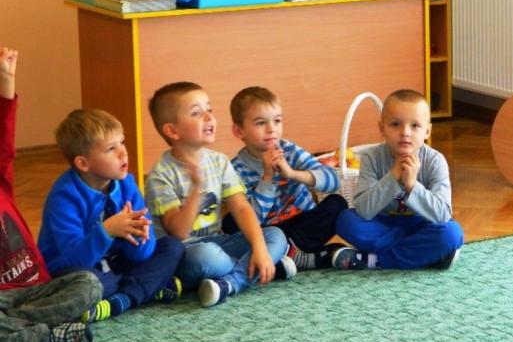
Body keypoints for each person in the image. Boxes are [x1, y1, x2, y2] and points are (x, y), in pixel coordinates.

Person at [145, 82, 287, 308]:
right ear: (172, 131)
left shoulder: (219, 161)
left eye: (209, 109)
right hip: (185, 253)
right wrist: (196, 189)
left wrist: (260, 248)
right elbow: (178, 232)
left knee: (275, 236)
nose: (209, 117)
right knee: (206, 256)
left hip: (218, 242)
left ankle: (231, 282)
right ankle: (263, 268)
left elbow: (241, 208)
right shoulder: (160, 175)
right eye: (196, 113)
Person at [37, 109, 185, 323]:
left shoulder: (126, 184)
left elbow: (142, 256)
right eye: (110, 149)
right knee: (90, 284)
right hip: (76, 268)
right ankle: (145, 289)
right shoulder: (64, 197)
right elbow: (73, 258)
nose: (123, 153)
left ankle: (123, 299)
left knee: (173, 247)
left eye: (122, 142)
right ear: (83, 164)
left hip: (116, 262)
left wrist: (140, 237)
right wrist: (107, 230)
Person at [0, 46, 102, 342]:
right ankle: (48, 335)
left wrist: (6, 79)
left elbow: (5, 131)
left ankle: (15, 327)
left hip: (37, 289)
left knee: (90, 284)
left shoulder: (2, 182)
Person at [333, 89, 464, 270]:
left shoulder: (435, 161)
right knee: (345, 220)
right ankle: (423, 255)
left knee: (451, 233)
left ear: (427, 131)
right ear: (382, 129)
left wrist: (412, 185)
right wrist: (393, 176)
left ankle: (376, 260)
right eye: (395, 124)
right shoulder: (372, 158)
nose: (405, 132)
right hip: (383, 225)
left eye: (415, 126)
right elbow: (364, 210)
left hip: (420, 225)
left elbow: (442, 215)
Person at [229, 86, 349, 271]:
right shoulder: (236, 169)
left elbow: (334, 181)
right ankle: (303, 257)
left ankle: (289, 254)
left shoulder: (289, 150)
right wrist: (267, 178)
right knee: (231, 223)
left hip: (303, 226)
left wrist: (292, 174)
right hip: (269, 232)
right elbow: (253, 219)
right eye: (260, 123)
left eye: (277, 121)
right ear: (239, 131)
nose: (271, 129)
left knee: (337, 204)